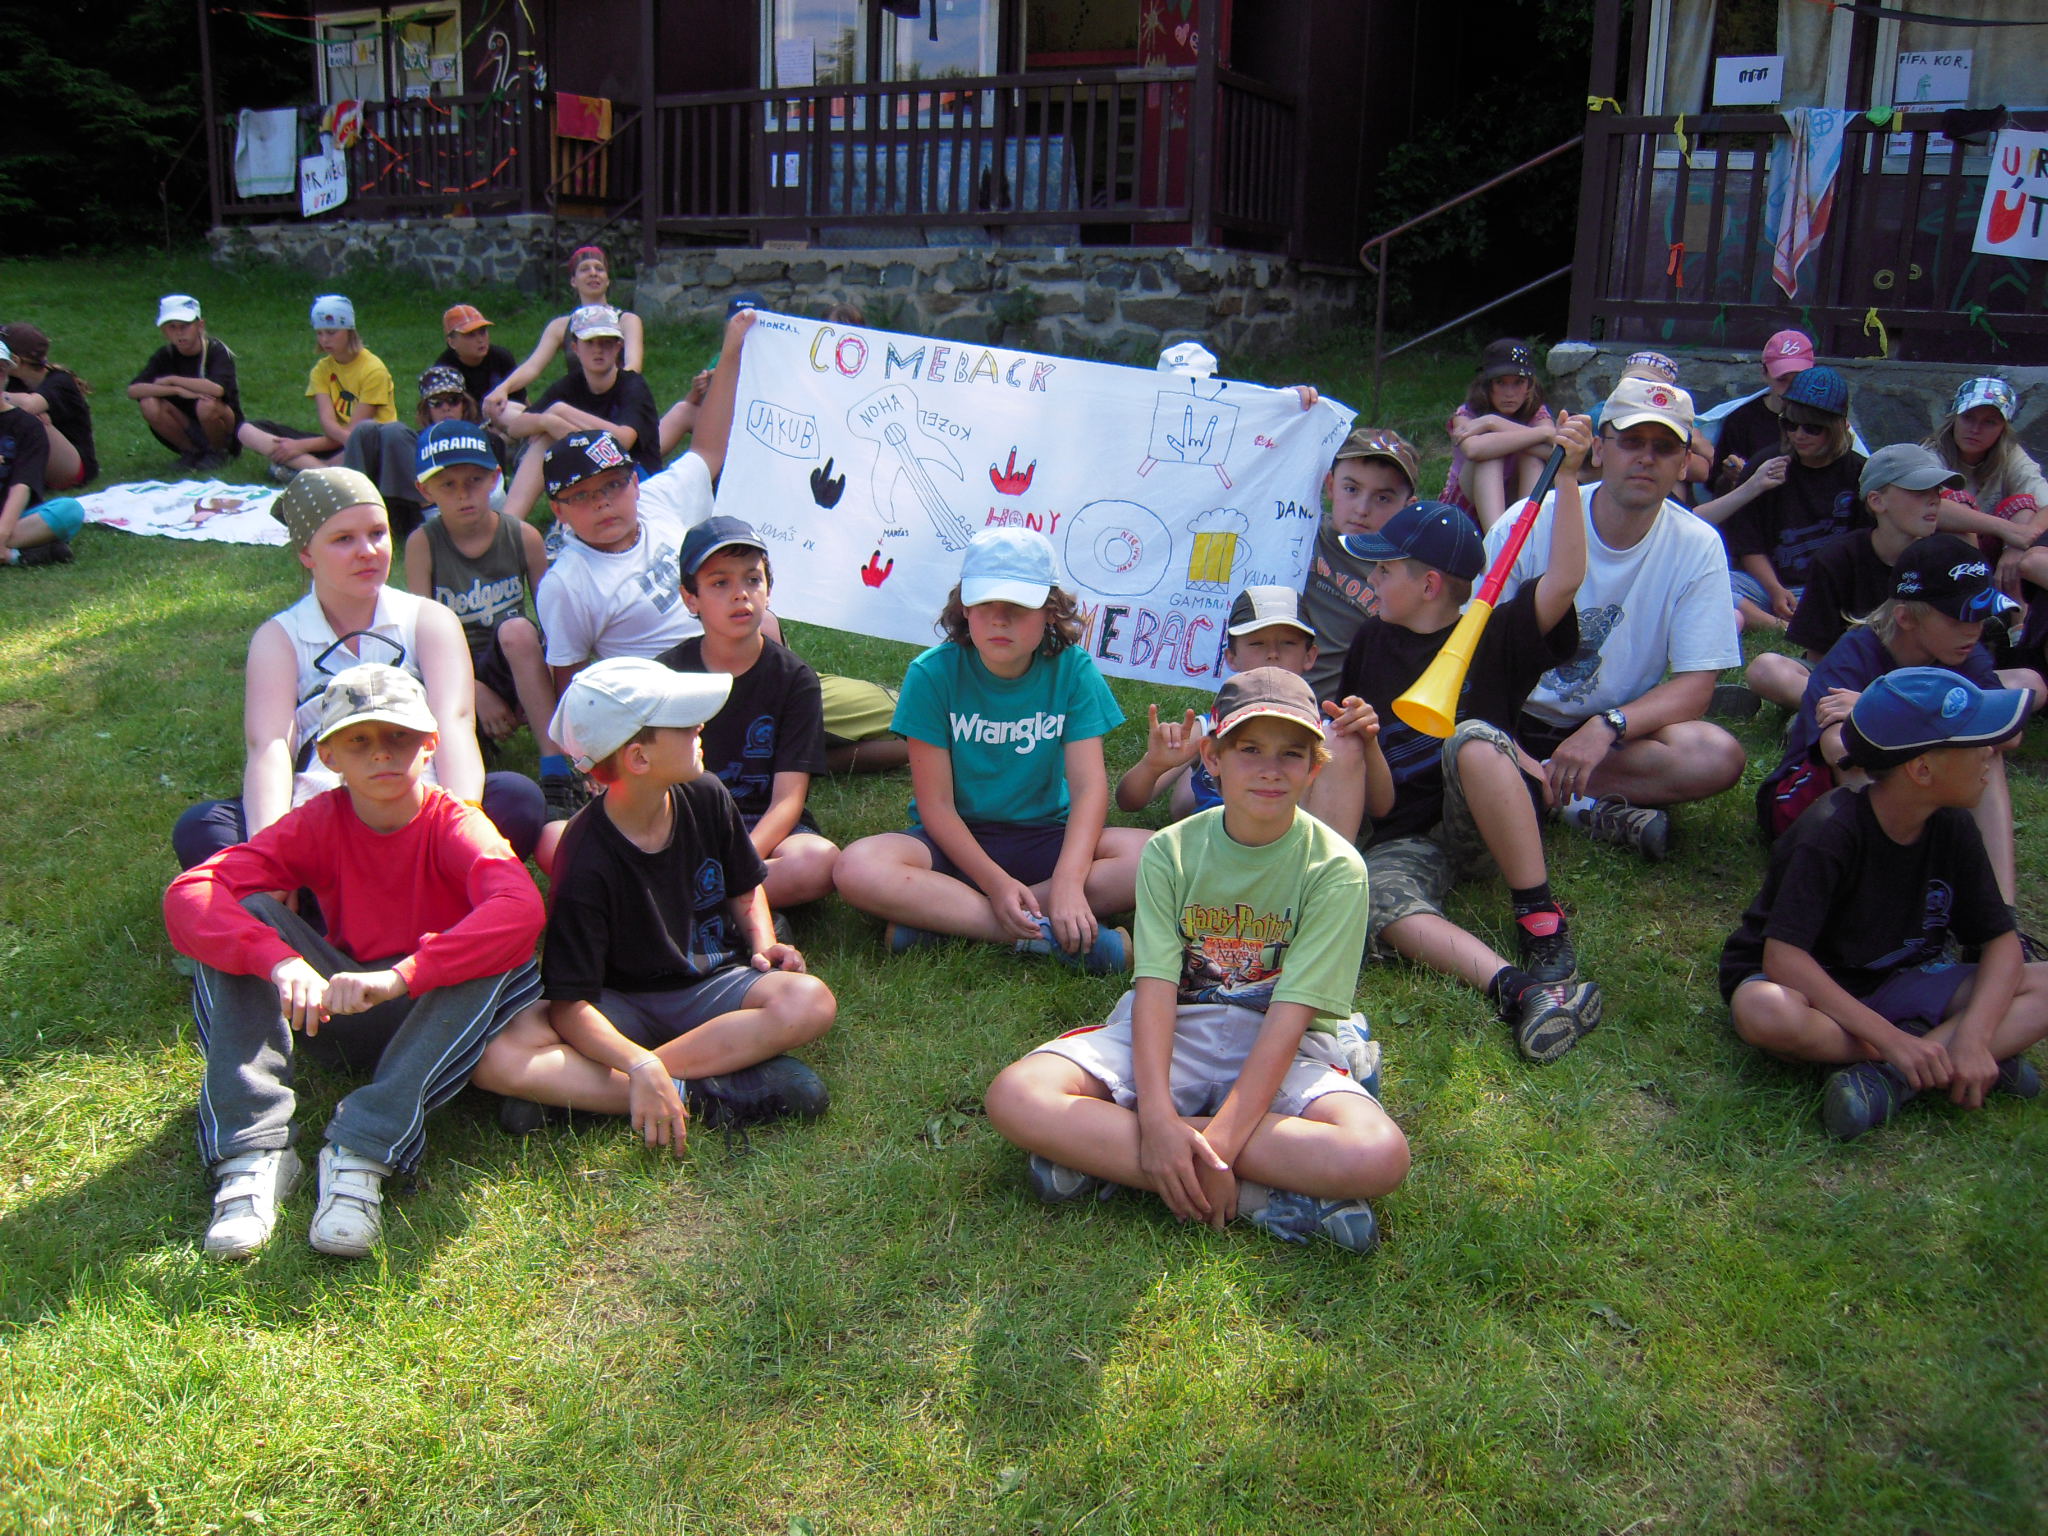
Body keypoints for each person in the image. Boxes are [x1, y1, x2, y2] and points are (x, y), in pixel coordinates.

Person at [984, 667, 1411, 1254]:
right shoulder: (1170, 850)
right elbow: (1157, 987)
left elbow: (1289, 1018)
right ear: (1212, 757)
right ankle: (1265, 1196)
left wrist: (1223, 1144)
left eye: (1291, 754)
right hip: (1173, 1030)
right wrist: (1157, 1121)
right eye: (1250, 749)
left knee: (1379, 1153)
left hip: (1280, 1046)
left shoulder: (1337, 868)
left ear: (1315, 768)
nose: (1269, 769)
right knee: (1016, 1094)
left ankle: (1109, 1159)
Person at [163, 663, 548, 1257]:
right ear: (328, 755)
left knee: (502, 949)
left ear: (430, 744)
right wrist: (278, 961)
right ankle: (253, 1151)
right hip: (337, 1009)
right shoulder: (317, 821)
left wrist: (402, 976)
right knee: (247, 915)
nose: (381, 754)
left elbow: (520, 909)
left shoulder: (457, 823)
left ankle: (363, 1149)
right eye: (359, 741)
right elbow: (191, 893)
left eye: (399, 736)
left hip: (434, 1015)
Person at [1334, 423, 1605, 1061]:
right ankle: (1520, 991)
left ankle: (1540, 919)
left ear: (1429, 585)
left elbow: (1565, 578)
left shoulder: (1499, 634)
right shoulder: (1372, 640)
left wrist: (1567, 479)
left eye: (1385, 568)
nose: (1373, 577)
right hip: (1405, 834)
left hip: (1482, 823)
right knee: (1374, 896)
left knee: (1474, 740)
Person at [491, 657, 835, 1147]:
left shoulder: (706, 793)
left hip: (710, 985)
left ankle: (584, 1092)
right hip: (621, 1005)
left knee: (809, 1000)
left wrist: (764, 943)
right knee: (503, 1051)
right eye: (682, 721)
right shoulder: (584, 855)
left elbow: (744, 887)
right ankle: (697, 1090)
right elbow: (570, 1005)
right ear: (638, 759)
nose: (700, 726)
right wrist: (637, 1062)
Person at [1720, 668, 2048, 1140]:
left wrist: (1977, 1034)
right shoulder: (1829, 831)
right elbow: (1784, 959)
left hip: (1906, 980)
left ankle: (1893, 1079)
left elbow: (2000, 944)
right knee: (1764, 1011)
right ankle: (1932, 1052)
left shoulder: (1952, 824)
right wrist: (1890, 1038)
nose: (1990, 753)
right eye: (1976, 743)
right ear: (1922, 770)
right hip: (1819, 994)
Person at [169, 468, 545, 868]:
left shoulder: (428, 619)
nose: (367, 551)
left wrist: (462, 828)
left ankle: (426, 875)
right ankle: (314, 889)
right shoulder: (279, 637)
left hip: (421, 805)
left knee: (517, 799)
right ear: (306, 553)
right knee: (202, 828)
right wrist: (272, 855)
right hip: (319, 813)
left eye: (377, 533)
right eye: (343, 539)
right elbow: (270, 746)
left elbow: (454, 722)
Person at [833, 526, 1151, 973]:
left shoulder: (1074, 671)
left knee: (1156, 855)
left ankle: (944, 922)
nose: (1000, 619)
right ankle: (1045, 935)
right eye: (985, 603)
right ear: (965, 607)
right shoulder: (931, 675)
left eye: (1018, 606)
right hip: (952, 844)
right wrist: (996, 884)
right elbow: (936, 806)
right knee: (857, 866)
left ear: (1050, 611)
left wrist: (1068, 881)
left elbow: (1089, 789)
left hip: (1046, 837)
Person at [1484, 375, 1746, 860]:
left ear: (1684, 464)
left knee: (1717, 755)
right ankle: (1569, 801)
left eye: (1664, 448)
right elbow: (1467, 641)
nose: (1646, 458)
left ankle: (1531, 789)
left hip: (1608, 737)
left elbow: (1696, 686)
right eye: (1631, 442)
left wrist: (1608, 726)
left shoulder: (1698, 544)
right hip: (1504, 716)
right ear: (1600, 450)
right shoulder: (1529, 518)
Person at [1754, 537, 2039, 917]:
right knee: (1867, 760)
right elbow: (1839, 751)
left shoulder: (1964, 653)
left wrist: (1881, 709)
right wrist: (1933, 722)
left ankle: (2000, 915)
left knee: (1987, 751)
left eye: (1980, 616)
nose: (1973, 631)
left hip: (1909, 796)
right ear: (1905, 618)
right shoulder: (1856, 653)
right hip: (1803, 803)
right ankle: (1887, 908)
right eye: (1958, 618)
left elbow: (2010, 734)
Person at [657, 516, 839, 908]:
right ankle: (734, 906)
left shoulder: (795, 679)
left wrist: (742, 863)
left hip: (767, 828)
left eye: (753, 579)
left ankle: (695, 904)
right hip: (686, 824)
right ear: (690, 598)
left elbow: (788, 800)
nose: (740, 594)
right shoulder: (667, 676)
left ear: (769, 589)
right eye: (719, 583)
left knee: (819, 862)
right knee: (569, 840)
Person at [1116, 584, 1387, 844]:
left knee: (1342, 743)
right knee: (1120, 845)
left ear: (1310, 656)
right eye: (1257, 643)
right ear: (1231, 657)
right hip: (1211, 851)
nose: (1273, 654)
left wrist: (1369, 743)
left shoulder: (1329, 734)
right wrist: (1153, 765)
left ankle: (1324, 871)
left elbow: (1381, 808)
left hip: (1291, 855)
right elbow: (1129, 801)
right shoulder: (1210, 726)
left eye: (1288, 643)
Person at [1748, 443, 1956, 710]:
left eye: (1937, 490)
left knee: (2012, 680)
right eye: (1919, 491)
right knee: (1765, 669)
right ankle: (1863, 712)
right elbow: (1819, 656)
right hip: (1846, 680)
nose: (1934, 500)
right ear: (1876, 501)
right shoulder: (1837, 558)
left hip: (1922, 682)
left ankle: (1845, 713)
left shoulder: (1947, 559)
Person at [403, 421, 555, 767]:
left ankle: (556, 766)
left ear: (495, 478)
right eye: (448, 484)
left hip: (516, 660)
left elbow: (553, 627)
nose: (463, 494)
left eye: (474, 479)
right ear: (425, 490)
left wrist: (539, 682)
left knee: (518, 629)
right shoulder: (423, 544)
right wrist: (474, 690)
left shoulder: (523, 536)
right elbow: (421, 638)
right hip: (450, 672)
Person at [1695, 365, 1868, 635]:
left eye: (1812, 428)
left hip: (1830, 586)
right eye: (1790, 424)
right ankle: (1780, 626)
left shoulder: (1859, 472)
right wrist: (1775, 590)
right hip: (1767, 584)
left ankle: (1785, 621)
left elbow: (1865, 550)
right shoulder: (1767, 464)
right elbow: (1747, 545)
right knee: (1704, 581)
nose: (1798, 434)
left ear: (1838, 427)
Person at [501, 305, 663, 522]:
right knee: (547, 436)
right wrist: (547, 421)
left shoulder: (632, 385)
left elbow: (623, 440)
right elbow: (515, 427)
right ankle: (509, 523)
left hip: (636, 480)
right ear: (575, 348)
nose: (598, 350)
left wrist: (562, 411)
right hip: (591, 478)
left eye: (606, 342)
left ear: (618, 347)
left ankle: (525, 523)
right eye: (590, 342)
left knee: (555, 438)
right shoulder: (571, 384)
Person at [1299, 426, 1419, 701]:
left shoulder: (1407, 574)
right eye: (1351, 489)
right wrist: (1294, 411)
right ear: (1330, 485)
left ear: (1407, 506)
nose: (1362, 509)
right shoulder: (1300, 532)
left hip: (1340, 712)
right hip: (1261, 696)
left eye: (1383, 498)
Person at [236, 295, 398, 478]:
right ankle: (321, 471)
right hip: (336, 440)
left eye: (331, 332)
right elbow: (328, 423)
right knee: (246, 431)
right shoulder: (321, 370)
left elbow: (354, 435)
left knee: (354, 451)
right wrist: (299, 446)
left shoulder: (374, 370)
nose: (324, 340)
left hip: (370, 445)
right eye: (319, 333)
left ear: (349, 331)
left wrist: (300, 446)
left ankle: (312, 472)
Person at [483, 244, 645, 423]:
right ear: (573, 281)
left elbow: (633, 366)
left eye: (599, 269)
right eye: (584, 269)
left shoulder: (626, 320)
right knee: (501, 409)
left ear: (607, 280)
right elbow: (533, 366)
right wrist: (503, 388)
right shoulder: (561, 326)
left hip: (616, 403)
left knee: (545, 422)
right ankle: (552, 427)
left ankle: (553, 428)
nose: (593, 273)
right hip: (577, 404)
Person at [1442, 338, 1555, 531]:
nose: (1509, 393)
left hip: (1514, 500)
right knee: (1489, 457)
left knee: (1532, 460)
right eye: (1500, 383)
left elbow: (1555, 452)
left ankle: (1527, 534)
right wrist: (1543, 434)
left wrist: (1493, 423)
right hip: (1466, 509)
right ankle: (1496, 539)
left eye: (1518, 382)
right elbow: (1474, 449)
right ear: (1487, 385)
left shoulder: (1537, 413)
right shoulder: (1468, 413)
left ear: (1529, 385)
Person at [127, 294, 243, 472]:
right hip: (186, 423)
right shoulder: (165, 355)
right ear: (164, 331)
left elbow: (217, 389)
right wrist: (176, 390)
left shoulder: (216, 350)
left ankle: (219, 451)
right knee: (148, 402)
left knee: (206, 405)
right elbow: (134, 390)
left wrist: (173, 380)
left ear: (200, 326)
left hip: (222, 423)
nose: (179, 333)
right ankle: (191, 452)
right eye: (172, 327)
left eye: (185, 326)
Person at [0, 341, 86, 567]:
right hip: (17, 530)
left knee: (69, 510)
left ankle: (10, 548)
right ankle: (19, 556)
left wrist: (2, 533)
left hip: (14, 516)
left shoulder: (27, 425)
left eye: (0, 370)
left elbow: (22, 485)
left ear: (6, 374)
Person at [1702, 329, 1814, 497]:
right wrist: (1730, 477)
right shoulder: (1741, 420)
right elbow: (1715, 488)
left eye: (1799, 379)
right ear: (1764, 374)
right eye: (1782, 379)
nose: (1790, 388)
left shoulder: (1825, 419)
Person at [2, 321, 97, 489]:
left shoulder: (61, 381)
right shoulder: (14, 382)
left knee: (32, 418)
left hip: (73, 467)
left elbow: (29, 405)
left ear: (15, 360)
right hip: (37, 462)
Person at [435, 303, 523, 409]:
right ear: (452, 342)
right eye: (470, 335)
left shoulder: (501, 358)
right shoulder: (444, 372)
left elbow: (521, 399)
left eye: (482, 332)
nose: (480, 340)